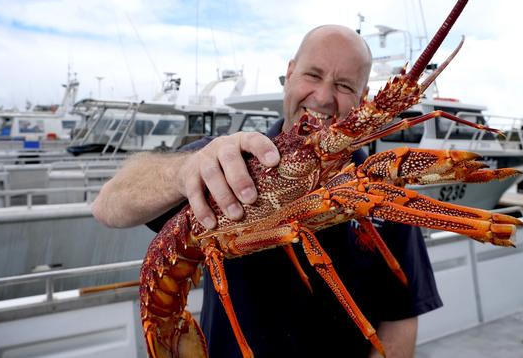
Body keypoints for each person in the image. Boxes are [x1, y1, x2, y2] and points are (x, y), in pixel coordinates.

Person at [92, 24, 442, 358]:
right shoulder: (224, 160)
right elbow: (108, 206)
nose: (322, 97)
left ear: (363, 98)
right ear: (289, 74)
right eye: (313, 75)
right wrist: (185, 170)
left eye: (345, 86)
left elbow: (401, 315)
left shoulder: (380, 187)